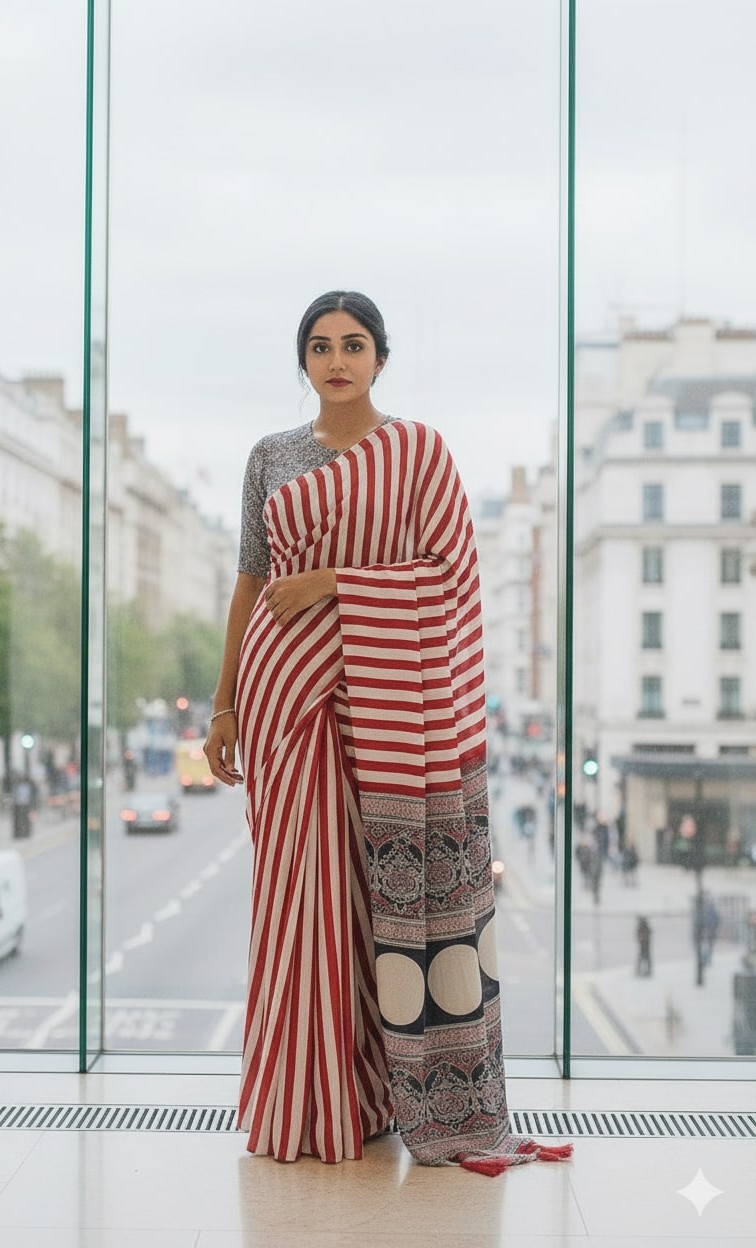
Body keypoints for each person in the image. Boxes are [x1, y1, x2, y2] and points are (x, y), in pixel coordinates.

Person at [204, 291, 571, 1176]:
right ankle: (310, 1101)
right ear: (304, 362)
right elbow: (251, 583)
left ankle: (396, 1095)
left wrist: (335, 580)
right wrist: (224, 706)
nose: (337, 359)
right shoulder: (271, 457)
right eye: (321, 346)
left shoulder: (418, 452)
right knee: (302, 899)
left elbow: (450, 574)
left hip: (384, 702)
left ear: (380, 357)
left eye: (354, 344)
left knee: (380, 900)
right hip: (284, 692)